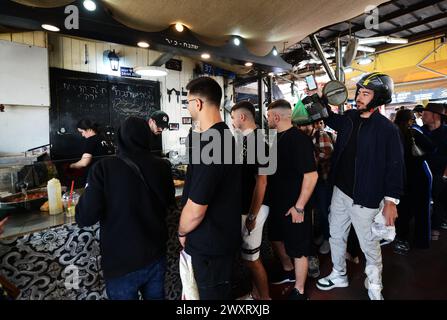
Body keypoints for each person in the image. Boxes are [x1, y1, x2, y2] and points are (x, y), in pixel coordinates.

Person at [316, 72, 404, 300]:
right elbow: (328, 118)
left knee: (370, 246)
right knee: (335, 235)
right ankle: (338, 273)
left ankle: (375, 287)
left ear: (379, 98)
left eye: (365, 94)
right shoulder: (349, 118)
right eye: (358, 92)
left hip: (366, 198)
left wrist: (391, 202)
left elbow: (395, 167)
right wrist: (322, 98)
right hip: (340, 191)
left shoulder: (387, 129)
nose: (358, 97)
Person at [76, 117, 175, 300]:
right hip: (156, 255)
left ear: (120, 138)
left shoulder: (103, 168)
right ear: (147, 137)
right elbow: (170, 204)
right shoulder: (163, 166)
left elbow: (85, 217)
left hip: (121, 262)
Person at [178, 77, 242, 300]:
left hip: (210, 245)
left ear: (198, 104)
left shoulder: (213, 143)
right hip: (220, 238)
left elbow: (196, 209)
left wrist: (182, 231)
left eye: (187, 102)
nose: (187, 107)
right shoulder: (222, 136)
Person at [266, 99, 318, 300]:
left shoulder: (298, 139)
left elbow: (311, 175)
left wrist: (299, 207)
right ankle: (288, 271)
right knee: (276, 238)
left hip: (295, 205)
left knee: (298, 248)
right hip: (278, 203)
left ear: (276, 117)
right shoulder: (276, 138)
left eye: (269, 116)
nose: (268, 119)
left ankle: (300, 289)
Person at [231, 101, 270, 300]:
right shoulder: (247, 140)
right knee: (250, 257)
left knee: (252, 259)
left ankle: (265, 298)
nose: (231, 121)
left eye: (233, 117)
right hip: (247, 206)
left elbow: (261, 181)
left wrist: (253, 215)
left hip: (254, 208)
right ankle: (255, 293)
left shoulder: (258, 141)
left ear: (242, 117)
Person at [394, 109, 435, 254]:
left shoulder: (393, 134)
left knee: (402, 211)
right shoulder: (414, 132)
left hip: (401, 179)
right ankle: (421, 241)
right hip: (419, 177)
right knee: (421, 211)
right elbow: (430, 146)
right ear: (410, 120)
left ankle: (401, 239)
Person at [420, 103, 447, 237]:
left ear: (436, 116)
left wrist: (445, 175)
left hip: (440, 173)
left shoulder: (446, 132)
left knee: (439, 200)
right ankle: (424, 228)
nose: (422, 116)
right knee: (422, 200)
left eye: (425, 114)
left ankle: (436, 226)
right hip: (422, 173)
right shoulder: (420, 131)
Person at [69, 119, 108, 185]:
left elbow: (84, 162)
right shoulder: (104, 138)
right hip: (105, 175)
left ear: (89, 129)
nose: (82, 135)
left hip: (95, 177)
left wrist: (71, 165)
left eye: (82, 132)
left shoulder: (91, 140)